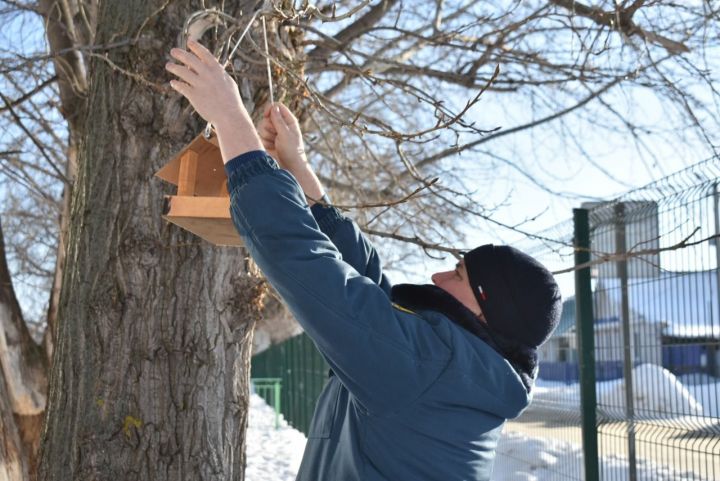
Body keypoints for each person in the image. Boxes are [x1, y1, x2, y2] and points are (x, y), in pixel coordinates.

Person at [166, 39, 562, 481]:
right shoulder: (460, 369)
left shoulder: (429, 367)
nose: (437, 274)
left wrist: (230, 120)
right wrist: (295, 165)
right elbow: (368, 287)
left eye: (458, 274)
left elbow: (306, 263)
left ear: (483, 308)